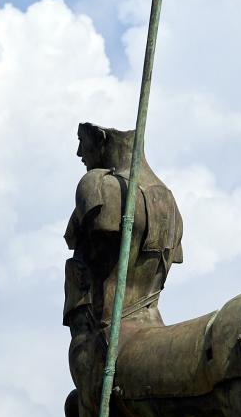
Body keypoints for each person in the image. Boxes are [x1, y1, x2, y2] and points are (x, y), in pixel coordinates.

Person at [64, 122, 183, 329]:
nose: (79, 152)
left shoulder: (99, 185)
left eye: (82, 141)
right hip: (152, 323)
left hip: (106, 331)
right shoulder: (169, 200)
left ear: (101, 138)